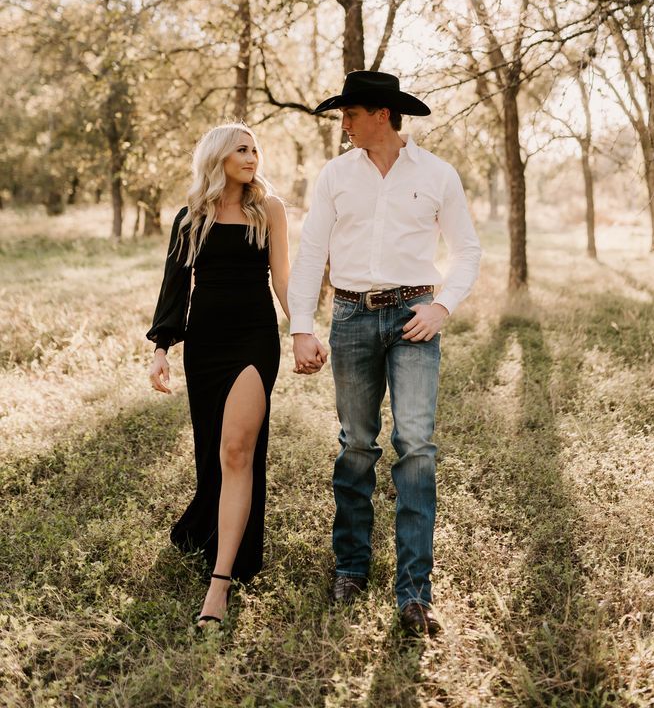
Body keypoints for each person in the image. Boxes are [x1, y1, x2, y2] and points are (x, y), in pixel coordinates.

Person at [288, 70, 481, 638]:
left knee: (415, 446)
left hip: (415, 317)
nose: (342, 123)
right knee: (355, 445)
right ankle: (351, 567)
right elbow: (311, 252)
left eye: (349, 114)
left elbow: (466, 249)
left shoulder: (438, 175)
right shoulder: (334, 175)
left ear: (381, 115)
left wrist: (442, 306)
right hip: (350, 317)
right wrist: (302, 326)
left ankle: (415, 592)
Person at [147, 123, 289, 629]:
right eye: (242, 149)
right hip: (204, 347)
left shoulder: (268, 210)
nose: (253, 157)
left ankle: (221, 582)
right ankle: (212, 524)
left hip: (254, 341)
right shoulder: (192, 217)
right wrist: (161, 349)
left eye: (255, 149)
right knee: (213, 451)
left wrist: (304, 332)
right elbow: (174, 286)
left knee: (237, 450)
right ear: (218, 157)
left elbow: (283, 278)